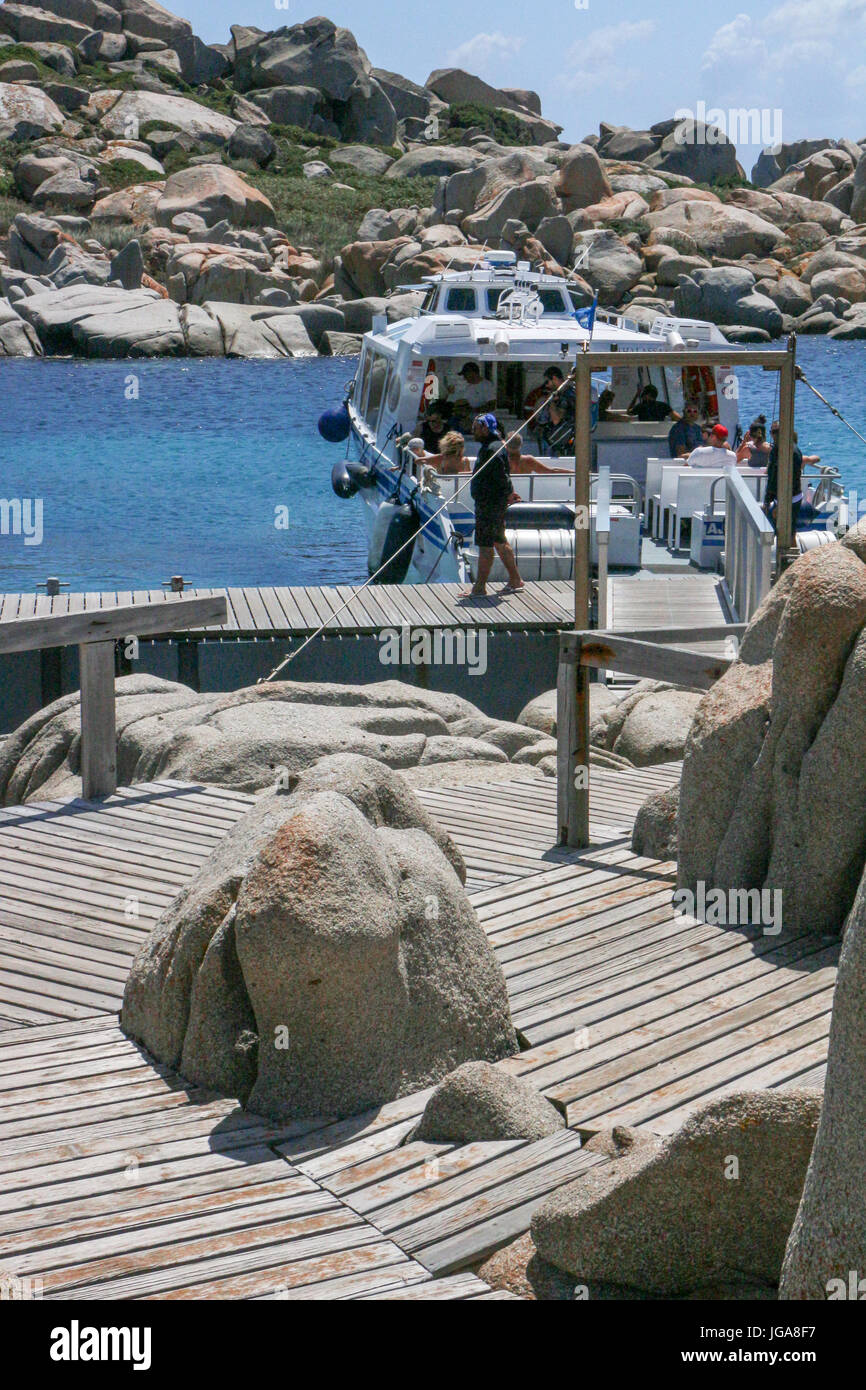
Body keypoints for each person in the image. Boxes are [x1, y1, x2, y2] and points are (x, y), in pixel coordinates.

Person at [461, 414, 524, 597]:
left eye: (475, 428)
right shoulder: (494, 446)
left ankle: (479, 588)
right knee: (499, 541)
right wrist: (509, 492)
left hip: (489, 505)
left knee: (486, 545)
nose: (472, 431)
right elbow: (505, 472)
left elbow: (502, 476)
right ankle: (515, 579)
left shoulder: (492, 449)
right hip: (492, 504)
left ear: (485, 428)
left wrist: (507, 493)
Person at [765, 422, 820, 533]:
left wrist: (770, 500)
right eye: (771, 432)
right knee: (790, 531)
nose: (773, 435)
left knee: (783, 531)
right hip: (792, 496)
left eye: (775, 432)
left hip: (788, 497)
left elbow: (776, 477)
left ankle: (783, 547)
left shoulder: (787, 452)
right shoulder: (788, 449)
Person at [505, 435, 571, 474]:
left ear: (506, 446)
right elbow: (551, 471)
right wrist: (573, 473)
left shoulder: (502, 462)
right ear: (521, 445)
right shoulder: (528, 460)